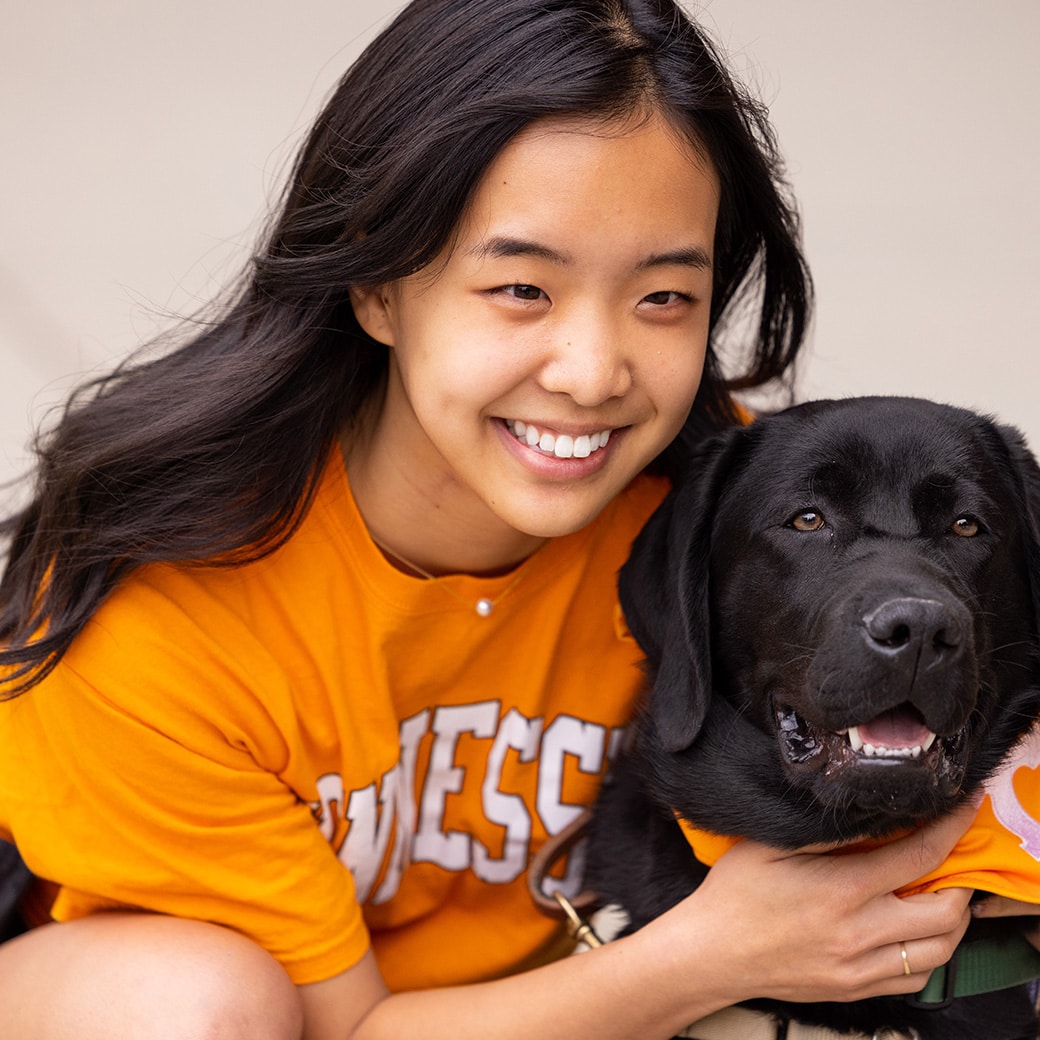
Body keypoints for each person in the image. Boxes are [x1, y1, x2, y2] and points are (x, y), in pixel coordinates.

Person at [0, 1, 989, 1036]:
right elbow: (347, 1030)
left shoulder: (730, 512)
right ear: (377, 285)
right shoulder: (161, 611)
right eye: (521, 287)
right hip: (264, 1013)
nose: (593, 370)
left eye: (661, 298)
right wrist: (709, 954)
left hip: (584, 978)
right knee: (192, 1005)